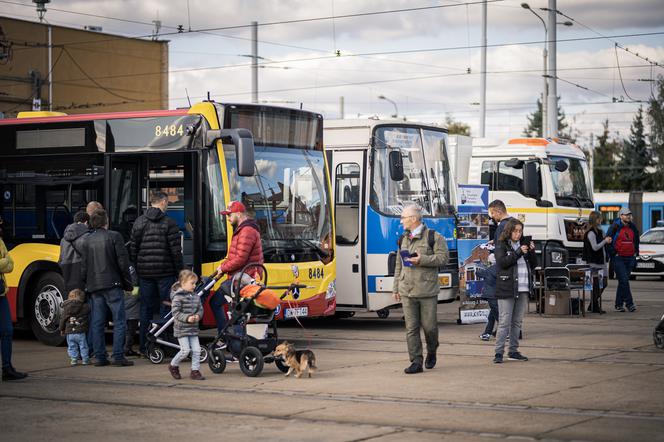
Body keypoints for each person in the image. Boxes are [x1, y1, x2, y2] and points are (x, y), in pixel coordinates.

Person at [392, 204, 449, 374]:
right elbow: (398, 264)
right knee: (411, 328)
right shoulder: (403, 238)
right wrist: (395, 287)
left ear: (414, 219)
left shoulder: (434, 237)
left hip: (426, 290)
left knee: (430, 327)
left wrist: (422, 259)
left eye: (403, 218)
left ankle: (432, 350)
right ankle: (416, 361)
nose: (401, 221)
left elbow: (443, 259)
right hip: (407, 290)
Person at [130, 191, 184, 356]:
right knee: (166, 306)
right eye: (166, 203)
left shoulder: (139, 222)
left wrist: (139, 267)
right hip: (165, 272)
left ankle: (145, 345)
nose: (167, 206)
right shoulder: (169, 223)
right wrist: (180, 271)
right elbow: (175, 251)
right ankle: (165, 344)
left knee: (145, 308)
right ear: (162, 202)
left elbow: (133, 248)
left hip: (145, 274)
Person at [81, 209, 134, 367]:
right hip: (113, 284)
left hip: (94, 286)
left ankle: (100, 356)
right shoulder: (114, 236)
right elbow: (123, 263)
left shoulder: (87, 240)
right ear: (106, 221)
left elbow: (84, 266)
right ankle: (118, 356)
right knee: (119, 321)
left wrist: (86, 285)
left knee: (97, 322)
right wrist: (128, 283)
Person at [212, 201, 264, 336]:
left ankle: (229, 339)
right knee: (233, 309)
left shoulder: (246, 231)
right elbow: (234, 256)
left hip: (244, 278)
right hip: (240, 276)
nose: (228, 218)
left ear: (239, 214)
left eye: (229, 215)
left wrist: (223, 268)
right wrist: (222, 268)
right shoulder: (242, 229)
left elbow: (240, 258)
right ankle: (228, 337)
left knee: (221, 304)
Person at [493, 218, 537, 364]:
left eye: (520, 231)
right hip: (507, 287)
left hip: (523, 287)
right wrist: (518, 252)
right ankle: (498, 352)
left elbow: (534, 265)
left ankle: (513, 350)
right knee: (505, 321)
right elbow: (502, 263)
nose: (518, 234)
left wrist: (531, 251)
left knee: (517, 322)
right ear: (509, 231)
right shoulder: (502, 245)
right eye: (515, 231)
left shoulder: (523, 245)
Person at [0, 215, 28, 381]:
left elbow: (10, 263)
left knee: (7, 331)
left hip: (1, 293)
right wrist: (3, 261)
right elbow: (6, 262)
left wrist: (4, 262)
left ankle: (7, 368)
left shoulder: (0, 241)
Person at [168, 270, 205, 381]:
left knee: (197, 350)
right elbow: (176, 313)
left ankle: (195, 371)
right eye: (192, 283)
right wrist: (187, 318)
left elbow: (200, 309)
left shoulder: (196, 297)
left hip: (193, 328)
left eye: (195, 283)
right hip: (182, 329)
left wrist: (198, 316)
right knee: (185, 351)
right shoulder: (177, 297)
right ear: (183, 283)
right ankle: (173, 365)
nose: (194, 286)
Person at [606, 207, 639, 312]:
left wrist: (635, 253)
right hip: (618, 258)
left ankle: (618, 304)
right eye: (626, 214)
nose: (628, 216)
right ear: (621, 216)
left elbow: (636, 240)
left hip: (630, 257)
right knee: (624, 280)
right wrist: (613, 254)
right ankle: (630, 304)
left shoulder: (633, 227)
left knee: (622, 282)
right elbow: (608, 241)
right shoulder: (614, 227)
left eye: (629, 214)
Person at [583, 211, 610, 314]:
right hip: (594, 262)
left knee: (604, 283)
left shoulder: (600, 231)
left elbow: (602, 244)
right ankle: (594, 305)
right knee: (597, 284)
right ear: (595, 219)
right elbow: (595, 247)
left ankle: (592, 304)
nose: (601, 220)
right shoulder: (590, 233)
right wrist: (605, 241)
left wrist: (606, 240)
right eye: (599, 218)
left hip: (601, 261)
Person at [58, 211, 90, 294]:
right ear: (86, 222)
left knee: (73, 304)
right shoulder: (86, 237)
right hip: (81, 278)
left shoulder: (63, 239)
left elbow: (60, 260)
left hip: (67, 276)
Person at [59, 289, 91, 365]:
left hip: (70, 332)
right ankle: (85, 359)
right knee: (83, 346)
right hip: (80, 332)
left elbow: (62, 319)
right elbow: (89, 310)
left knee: (72, 346)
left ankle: (74, 359)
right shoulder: (85, 307)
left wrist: (61, 329)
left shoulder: (66, 308)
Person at [476, 253, 498, 341]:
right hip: (497, 295)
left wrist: (482, 266)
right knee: (492, 316)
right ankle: (487, 333)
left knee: (498, 316)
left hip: (491, 296)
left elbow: (479, 273)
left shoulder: (490, 269)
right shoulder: (499, 268)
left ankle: (507, 333)